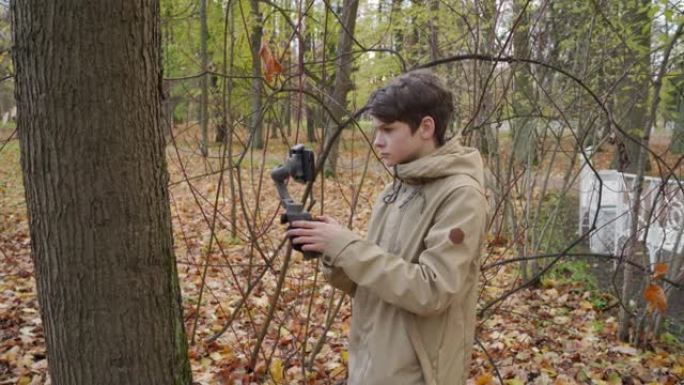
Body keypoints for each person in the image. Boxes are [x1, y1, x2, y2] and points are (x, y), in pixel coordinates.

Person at [287, 70, 488, 385]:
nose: (377, 141)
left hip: (416, 374)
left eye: (388, 129)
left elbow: (432, 291)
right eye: (375, 129)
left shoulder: (461, 195)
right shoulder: (395, 190)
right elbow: (370, 283)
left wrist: (346, 246)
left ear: (426, 127)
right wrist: (329, 248)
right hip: (370, 366)